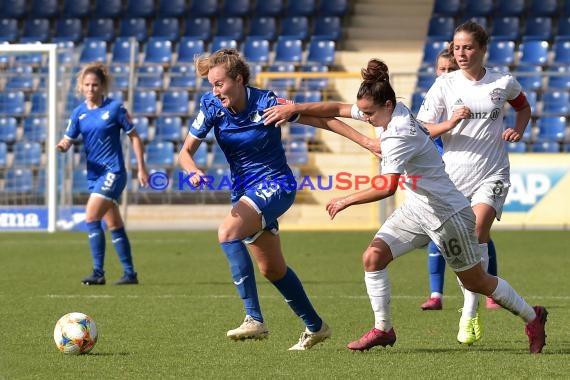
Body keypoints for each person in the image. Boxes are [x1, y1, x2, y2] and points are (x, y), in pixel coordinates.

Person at [262, 58, 547, 354]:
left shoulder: (400, 132)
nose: (367, 118)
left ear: (387, 105)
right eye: (365, 113)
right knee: (373, 258)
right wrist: (295, 108)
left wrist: (346, 199)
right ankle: (383, 329)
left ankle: (532, 316)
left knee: (476, 281)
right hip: (417, 208)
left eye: (370, 114)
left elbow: (387, 186)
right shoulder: (386, 109)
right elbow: (336, 109)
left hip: (446, 214)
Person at [177, 49, 377, 350]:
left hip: (276, 185)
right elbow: (185, 153)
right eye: (211, 85)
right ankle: (316, 326)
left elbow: (322, 120)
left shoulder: (266, 102)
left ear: (239, 79)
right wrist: (192, 171)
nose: (214, 91)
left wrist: (366, 141)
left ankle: (253, 318)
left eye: (219, 84)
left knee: (227, 233)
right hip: (245, 193)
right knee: (272, 269)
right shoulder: (211, 106)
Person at [416, 20, 530, 343]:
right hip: (453, 175)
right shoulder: (444, 85)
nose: (461, 53)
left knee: (479, 231)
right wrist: (450, 122)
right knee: (460, 244)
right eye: (456, 47)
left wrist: (518, 130)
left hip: (493, 173)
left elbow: (524, 107)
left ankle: (468, 313)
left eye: (467, 47)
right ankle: (473, 295)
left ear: (482, 49)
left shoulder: (503, 82)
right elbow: (423, 128)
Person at [420, 49, 500, 311]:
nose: (444, 74)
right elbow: (423, 129)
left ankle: (490, 290)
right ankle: (436, 294)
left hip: (471, 167)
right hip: (441, 166)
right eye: (440, 69)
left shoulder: (467, 94)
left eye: (449, 69)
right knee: (439, 230)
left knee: (479, 230)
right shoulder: (436, 95)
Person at [56, 62, 149, 285]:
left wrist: (142, 167)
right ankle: (130, 274)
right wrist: (61, 146)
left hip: (113, 172)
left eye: (95, 85)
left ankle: (98, 272)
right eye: (87, 85)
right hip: (95, 176)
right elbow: (69, 138)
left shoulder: (115, 108)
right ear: (81, 86)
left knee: (91, 217)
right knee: (114, 224)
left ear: (102, 85)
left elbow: (134, 136)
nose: (91, 89)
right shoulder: (79, 113)